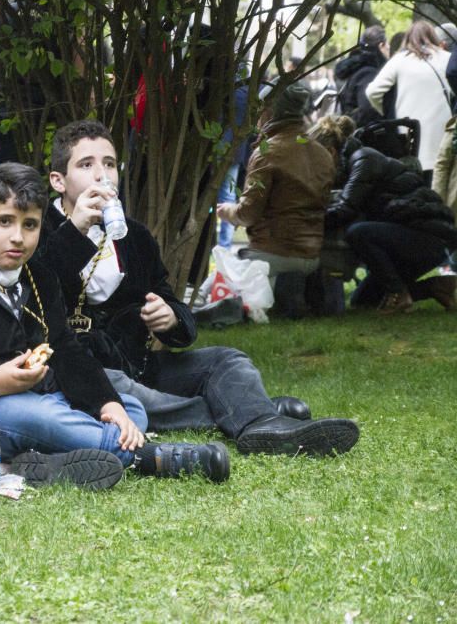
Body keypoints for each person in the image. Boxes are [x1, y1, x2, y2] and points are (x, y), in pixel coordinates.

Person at [0, 163, 230, 489]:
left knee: (130, 409)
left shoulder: (39, 277)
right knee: (36, 417)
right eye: (4, 222)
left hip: (41, 400)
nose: (18, 238)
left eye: (30, 225)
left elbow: (65, 348)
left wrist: (107, 404)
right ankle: (146, 458)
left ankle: (40, 459)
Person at [36, 119, 360, 457]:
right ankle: (251, 411)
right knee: (119, 388)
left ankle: (264, 425)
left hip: (142, 364)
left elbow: (178, 313)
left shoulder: (135, 236)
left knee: (226, 360)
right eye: (86, 165)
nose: (102, 175)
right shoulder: (40, 231)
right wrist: (74, 232)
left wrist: (170, 318)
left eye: (109, 164)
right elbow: (39, 294)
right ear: (59, 180)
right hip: (87, 373)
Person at [217, 83, 336, 297]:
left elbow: (247, 214)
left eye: (260, 110)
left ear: (270, 112)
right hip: (312, 255)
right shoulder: (322, 152)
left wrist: (226, 211)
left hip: (272, 255)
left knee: (213, 286)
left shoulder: (268, 152)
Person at [326, 126, 457, 313]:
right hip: (418, 238)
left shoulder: (363, 160)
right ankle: (435, 286)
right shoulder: (357, 163)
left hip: (426, 237)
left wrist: (306, 222)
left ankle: (398, 294)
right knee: (361, 300)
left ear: (331, 152)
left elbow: (345, 210)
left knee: (358, 233)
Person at [366, 20, 453, 174]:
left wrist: (388, 112)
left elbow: (372, 91)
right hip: (443, 133)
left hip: (409, 135)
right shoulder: (447, 58)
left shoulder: (400, 60)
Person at [334, 25, 389, 129]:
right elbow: (367, 111)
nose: (389, 48)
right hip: (364, 139)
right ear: (381, 46)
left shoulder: (356, 68)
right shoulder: (369, 73)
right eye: (388, 45)